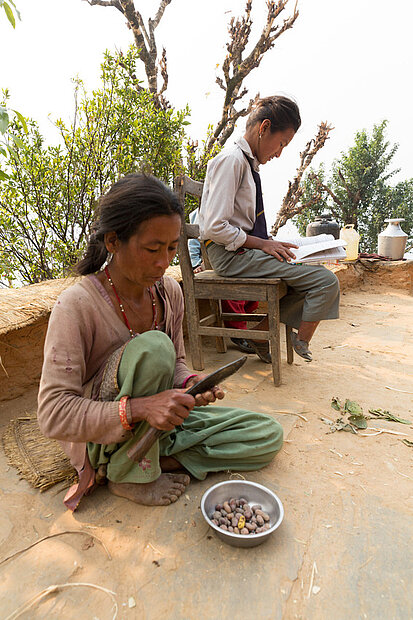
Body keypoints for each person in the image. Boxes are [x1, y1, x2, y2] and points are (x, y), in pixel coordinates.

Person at [37, 173, 283, 512]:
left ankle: (146, 461)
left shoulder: (168, 293)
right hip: (104, 435)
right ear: (112, 242)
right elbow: (53, 414)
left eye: (171, 248)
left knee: (266, 434)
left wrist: (190, 383)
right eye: (152, 249)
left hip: (157, 428)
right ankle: (125, 469)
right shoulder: (76, 306)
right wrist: (140, 408)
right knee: (154, 347)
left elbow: (177, 362)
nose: (163, 262)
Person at [198, 95, 340, 363]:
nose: (279, 153)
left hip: (242, 252)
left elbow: (244, 223)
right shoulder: (232, 161)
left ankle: (261, 334)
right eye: (281, 143)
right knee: (324, 281)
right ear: (264, 128)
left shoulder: (247, 164)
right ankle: (301, 339)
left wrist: (269, 242)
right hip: (229, 256)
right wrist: (262, 244)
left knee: (311, 273)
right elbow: (215, 227)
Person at [189, 208, 259, 355]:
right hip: (213, 261)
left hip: (237, 257)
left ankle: (243, 321)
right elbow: (193, 243)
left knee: (251, 286)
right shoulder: (202, 212)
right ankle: (238, 332)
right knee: (231, 289)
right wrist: (195, 264)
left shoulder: (236, 210)